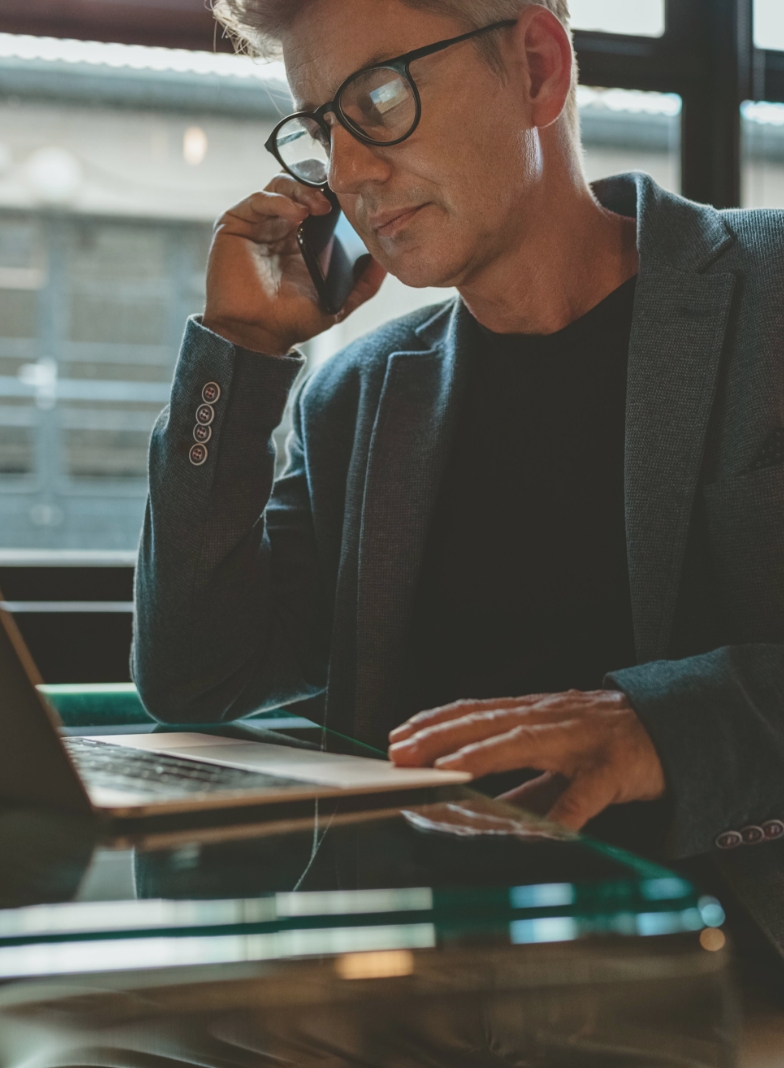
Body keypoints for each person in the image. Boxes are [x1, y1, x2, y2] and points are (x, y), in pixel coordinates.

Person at [133, 0, 784, 860]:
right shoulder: (358, 399)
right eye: (325, 131)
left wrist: (663, 730)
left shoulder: (767, 293)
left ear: (537, 70)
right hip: (423, 960)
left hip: (730, 964)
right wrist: (241, 352)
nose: (351, 174)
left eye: (379, 100)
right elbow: (194, 678)